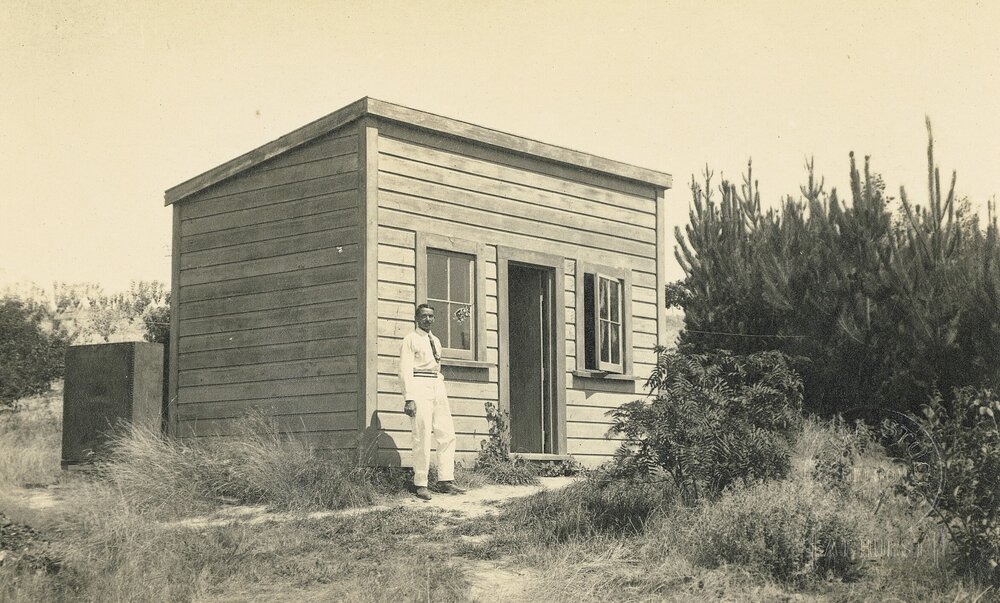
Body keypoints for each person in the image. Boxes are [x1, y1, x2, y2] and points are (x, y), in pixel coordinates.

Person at [399, 303, 466, 500]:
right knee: (422, 435)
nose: (428, 319)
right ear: (416, 319)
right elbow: (404, 370)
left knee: (447, 433)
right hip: (419, 385)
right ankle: (420, 483)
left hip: (437, 384)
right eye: (424, 316)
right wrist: (409, 397)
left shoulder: (435, 340)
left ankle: (445, 480)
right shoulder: (410, 340)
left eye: (431, 316)